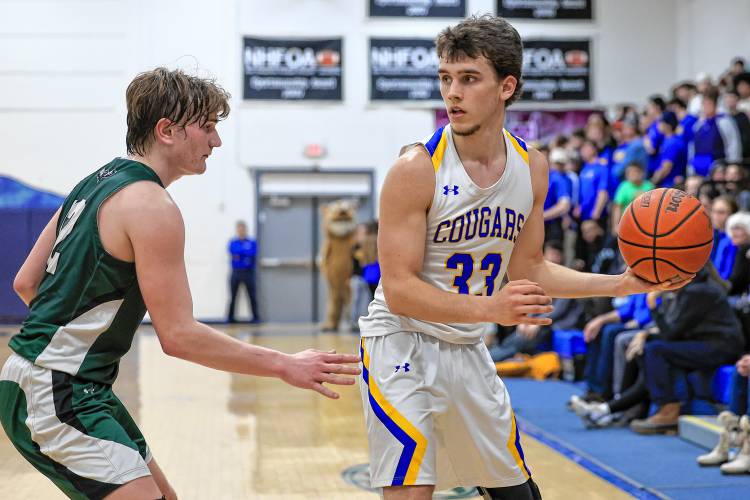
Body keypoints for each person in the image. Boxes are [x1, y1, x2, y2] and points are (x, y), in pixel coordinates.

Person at [358, 15, 686, 500]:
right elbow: (401, 291)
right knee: (411, 491)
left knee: (517, 494)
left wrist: (621, 285)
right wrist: (493, 309)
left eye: (469, 79)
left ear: (506, 86)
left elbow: (529, 268)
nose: (452, 93)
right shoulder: (415, 170)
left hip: (467, 346)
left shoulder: (531, 167)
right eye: (446, 78)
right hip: (401, 343)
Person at [0, 67, 360, 500]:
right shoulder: (152, 205)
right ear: (167, 131)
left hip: (55, 381)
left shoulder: (92, 184)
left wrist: (65, 336)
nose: (216, 141)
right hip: (57, 390)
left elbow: (26, 282)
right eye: (207, 127)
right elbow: (178, 336)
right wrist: (285, 365)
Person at [227, 220, 260, 323]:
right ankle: (230, 318)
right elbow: (234, 252)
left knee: (252, 296)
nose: (241, 230)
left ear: (245, 229)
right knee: (233, 296)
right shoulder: (233, 242)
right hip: (236, 272)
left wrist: (241, 254)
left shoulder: (252, 242)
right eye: (239, 228)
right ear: (237, 230)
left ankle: (255, 318)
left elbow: (252, 253)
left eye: (243, 228)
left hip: (248, 273)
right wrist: (244, 254)